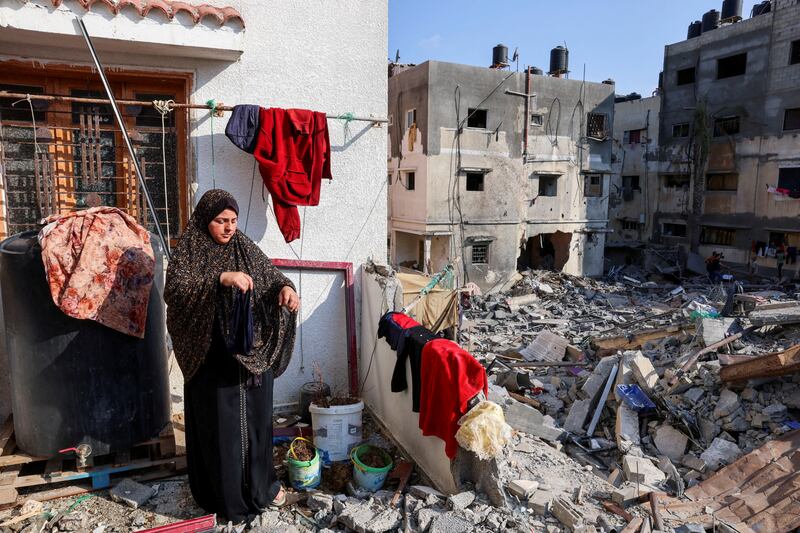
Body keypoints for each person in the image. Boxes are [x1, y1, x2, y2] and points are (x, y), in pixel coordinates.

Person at [165, 189, 300, 524]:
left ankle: (262, 488)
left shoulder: (243, 246)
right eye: (220, 221)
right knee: (221, 431)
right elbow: (176, 292)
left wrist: (286, 290)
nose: (228, 228)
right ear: (204, 220)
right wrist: (220, 278)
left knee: (257, 426)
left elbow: (271, 277)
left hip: (249, 360)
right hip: (212, 361)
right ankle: (223, 499)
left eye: (232, 220)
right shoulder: (189, 250)